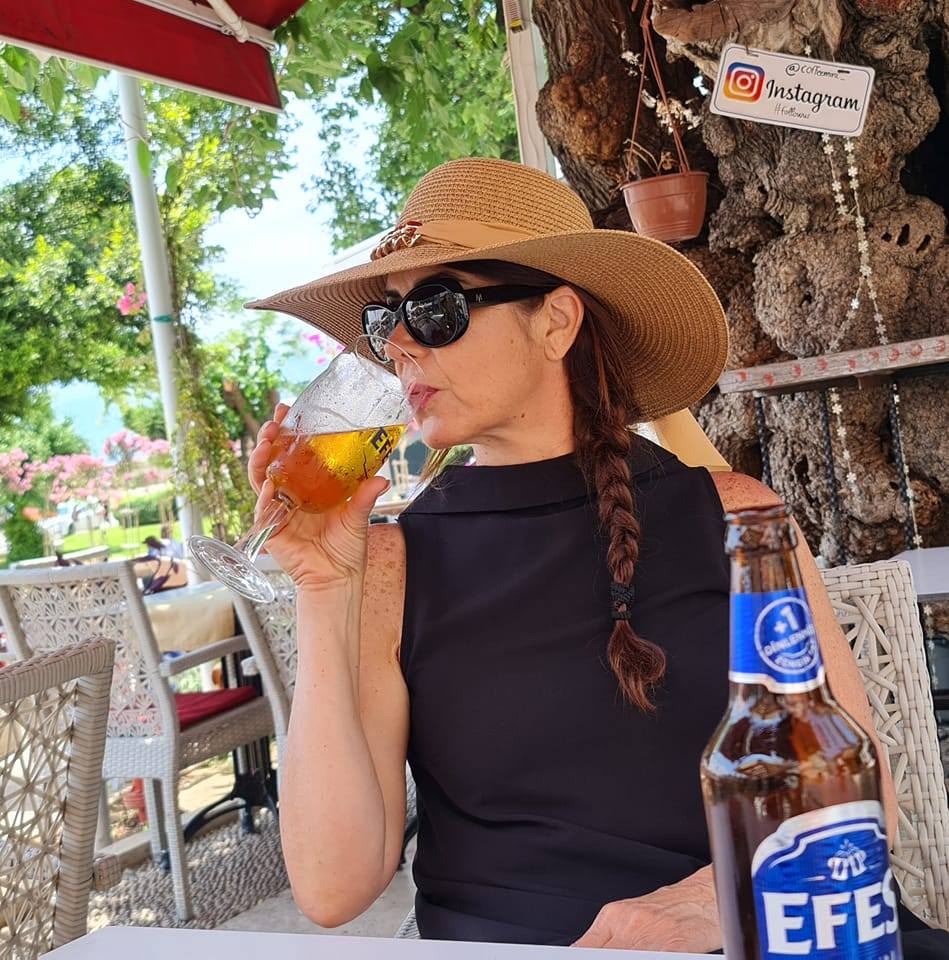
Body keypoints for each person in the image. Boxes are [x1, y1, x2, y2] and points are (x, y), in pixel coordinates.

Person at [247, 158, 947, 955]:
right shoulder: (387, 565)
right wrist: (321, 588)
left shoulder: (734, 519)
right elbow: (332, 888)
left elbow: (855, 795)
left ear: (556, 321)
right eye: (384, 320)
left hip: (763, 927)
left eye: (437, 308)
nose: (398, 345)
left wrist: (713, 902)